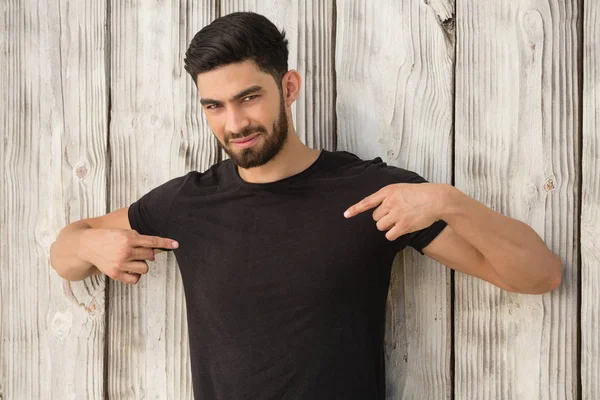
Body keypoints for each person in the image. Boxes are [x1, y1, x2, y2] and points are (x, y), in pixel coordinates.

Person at [50, 11, 562, 400]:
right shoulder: (188, 202)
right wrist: (93, 243)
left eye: (249, 97)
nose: (234, 124)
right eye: (214, 106)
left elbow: (538, 275)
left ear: (288, 87)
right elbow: (66, 254)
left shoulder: (373, 195)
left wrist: (449, 200)